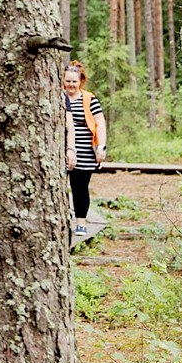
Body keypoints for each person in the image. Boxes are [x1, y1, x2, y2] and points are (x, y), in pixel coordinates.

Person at [63, 60, 108, 236]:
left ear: (81, 80)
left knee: (80, 187)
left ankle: (81, 221)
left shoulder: (89, 99)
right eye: (67, 81)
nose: (70, 85)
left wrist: (101, 147)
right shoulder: (57, 96)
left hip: (85, 150)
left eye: (74, 81)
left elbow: (100, 124)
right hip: (63, 149)